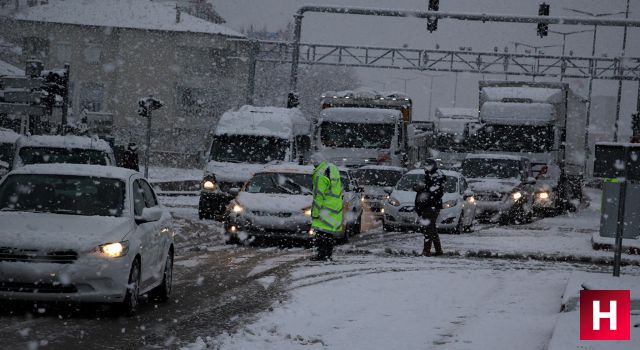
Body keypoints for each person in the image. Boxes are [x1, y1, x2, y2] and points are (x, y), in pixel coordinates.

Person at [310, 160, 344, 261]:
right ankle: (328, 255)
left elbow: (319, 197)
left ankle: (321, 255)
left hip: (324, 210)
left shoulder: (320, 175)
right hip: (335, 208)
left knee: (320, 234)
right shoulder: (331, 169)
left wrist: (315, 213)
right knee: (329, 234)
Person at [414, 158, 446, 256]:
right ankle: (438, 250)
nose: (426, 168)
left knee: (429, 229)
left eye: (427, 166)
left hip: (430, 206)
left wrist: (424, 189)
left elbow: (435, 192)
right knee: (432, 229)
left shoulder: (436, 176)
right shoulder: (431, 175)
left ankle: (427, 251)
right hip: (428, 206)